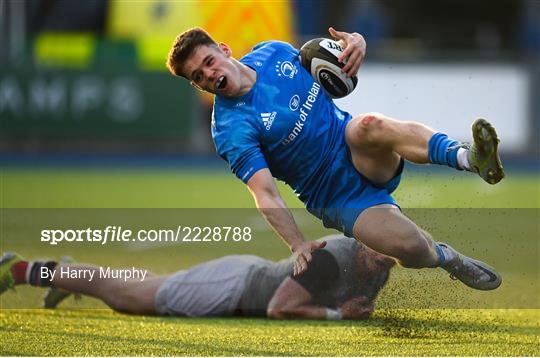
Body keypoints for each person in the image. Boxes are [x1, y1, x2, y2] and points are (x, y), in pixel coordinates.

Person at [165, 27, 504, 290]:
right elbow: (264, 192)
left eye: (208, 62)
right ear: (197, 86)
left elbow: (334, 61)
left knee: (368, 125)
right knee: (412, 247)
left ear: (223, 50)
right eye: (198, 77)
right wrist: (298, 246)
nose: (208, 75)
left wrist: (357, 43)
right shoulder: (229, 129)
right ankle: (447, 258)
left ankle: (468, 157)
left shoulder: (274, 52)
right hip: (335, 197)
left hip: (356, 148)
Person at [0, 235, 394, 319]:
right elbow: (278, 309)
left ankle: (68, 274)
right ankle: (20, 269)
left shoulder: (380, 264)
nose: (389, 254)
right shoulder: (334, 258)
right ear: (363, 240)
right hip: (231, 288)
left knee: (142, 285)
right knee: (126, 298)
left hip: (239, 279)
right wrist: (340, 315)